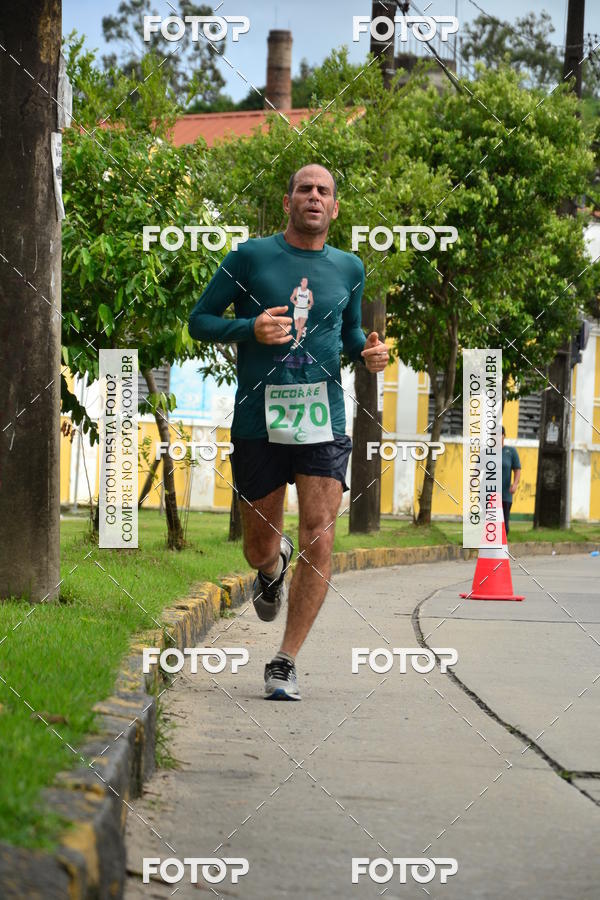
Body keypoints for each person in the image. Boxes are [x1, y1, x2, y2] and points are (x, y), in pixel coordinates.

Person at [188, 163, 388, 700]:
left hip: (322, 418)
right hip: (259, 420)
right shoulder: (250, 257)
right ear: (288, 201)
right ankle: (270, 570)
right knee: (260, 544)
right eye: (305, 189)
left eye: (324, 191)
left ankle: (285, 660)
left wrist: (367, 353)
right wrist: (247, 328)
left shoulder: (350, 267)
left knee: (319, 535)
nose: (315, 197)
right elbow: (199, 320)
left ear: (336, 208)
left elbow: (348, 335)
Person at [501, 426, 521, 536]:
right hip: (489, 494)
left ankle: (502, 548)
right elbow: (477, 469)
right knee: (490, 524)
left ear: (504, 435)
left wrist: (515, 484)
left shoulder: (511, 451)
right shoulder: (487, 452)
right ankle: (490, 548)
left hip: (505, 495)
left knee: (505, 525)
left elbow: (517, 469)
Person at [289, 276, 313, 342]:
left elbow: (311, 301)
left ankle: (296, 342)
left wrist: (310, 305)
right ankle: (304, 329)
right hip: (297, 309)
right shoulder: (296, 289)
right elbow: (291, 298)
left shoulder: (309, 292)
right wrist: (294, 301)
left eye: (306, 282)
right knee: (296, 327)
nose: (305, 283)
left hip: (304, 310)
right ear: (301, 282)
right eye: (304, 281)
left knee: (299, 328)